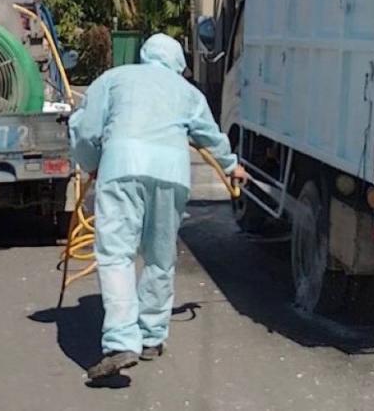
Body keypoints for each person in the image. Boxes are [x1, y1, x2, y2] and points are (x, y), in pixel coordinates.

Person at [68, 33, 248, 381]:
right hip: (172, 175)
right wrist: (232, 166)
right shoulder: (188, 92)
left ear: (144, 55)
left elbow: (87, 129)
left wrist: (91, 163)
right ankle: (151, 337)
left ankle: (122, 341)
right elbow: (210, 135)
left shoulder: (115, 78)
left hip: (121, 168)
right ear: (179, 64)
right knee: (160, 257)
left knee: (116, 255)